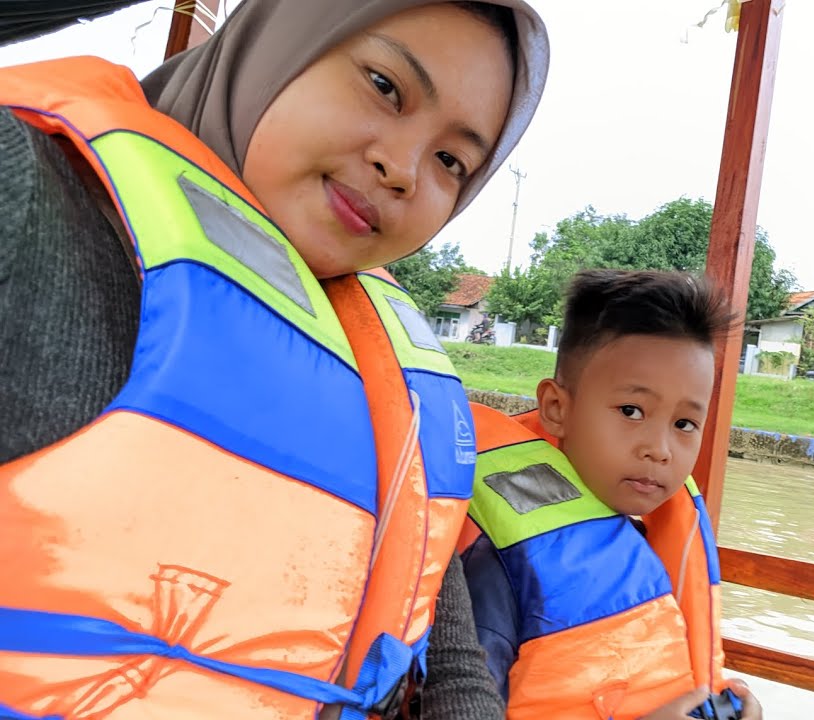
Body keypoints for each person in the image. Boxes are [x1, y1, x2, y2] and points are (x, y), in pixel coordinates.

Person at [0, 2, 547, 718]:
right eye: (384, 86)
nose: (403, 169)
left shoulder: (396, 388)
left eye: (452, 161)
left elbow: (453, 672)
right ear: (280, 39)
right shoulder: (25, 195)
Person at [460, 270, 764, 720]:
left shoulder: (648, 545)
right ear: (557, 408)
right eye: (631, 411)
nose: (658, 449)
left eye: (684, 424)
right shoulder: (499, 565)